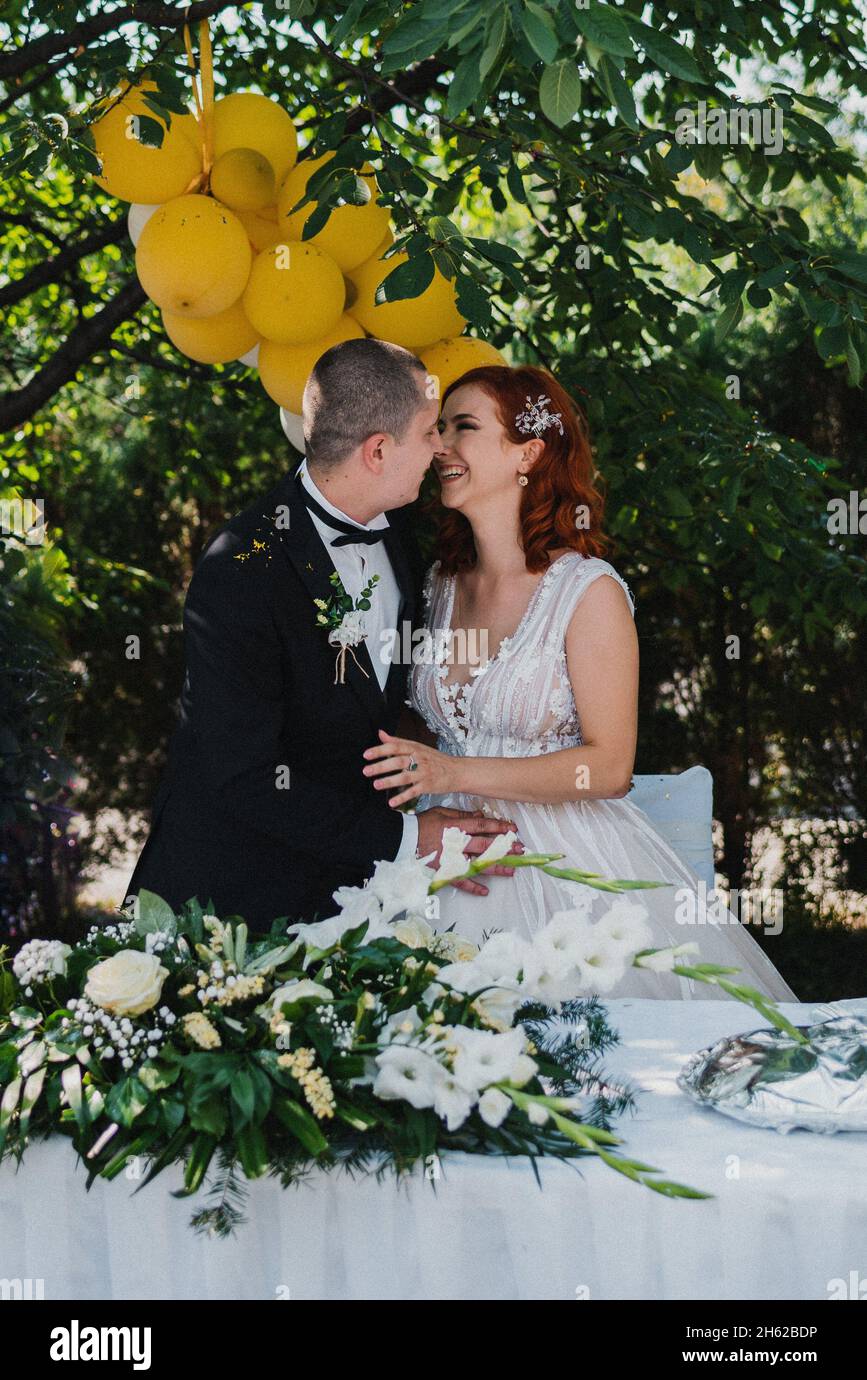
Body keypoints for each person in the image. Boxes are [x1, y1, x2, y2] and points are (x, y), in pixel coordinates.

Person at [361, 364, 798, 1002]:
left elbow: (611, 765)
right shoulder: (439, 584)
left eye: (464, 428)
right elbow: (433, 728)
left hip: (565, 860)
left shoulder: (587, 592)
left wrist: (454, 774)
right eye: (439, 428)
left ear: (528, 454)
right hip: (444, 848)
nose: (440, 446)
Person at [125, 339, 519, 932]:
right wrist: (411, 836)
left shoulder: (403, 532)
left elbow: (375, 707)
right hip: (230, 905)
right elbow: (246, 775)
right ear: (379, 450)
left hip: (351, 890)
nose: (440, 447)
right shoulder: (240, 567)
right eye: (428, 431)